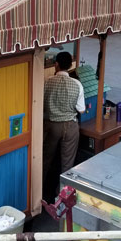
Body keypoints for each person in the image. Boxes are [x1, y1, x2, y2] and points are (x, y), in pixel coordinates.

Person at [42, 51, 85, 202]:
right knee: (67, 164)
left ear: (56, 64)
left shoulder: (47, 82)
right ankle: (61, 198)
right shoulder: (77, 84)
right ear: (70, 66)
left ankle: (39, 194)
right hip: (70, 126)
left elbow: (40, 105)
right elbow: (81, 109)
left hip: (50, 126)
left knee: (45, 160)